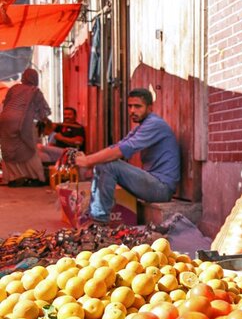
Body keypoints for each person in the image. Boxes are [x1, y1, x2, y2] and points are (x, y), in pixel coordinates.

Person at [74, 88, 180, 225]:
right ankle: (94, 216)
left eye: (138, 106)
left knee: (109, 164)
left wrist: (88, 161)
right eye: (130, 106)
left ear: (149, 107)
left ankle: (99, 222)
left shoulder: (155, 124)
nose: (132, 111)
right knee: (103, 162)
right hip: (153, 182)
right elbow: (116, 146)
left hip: (162, 189)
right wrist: (89, 158)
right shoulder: (140, 127)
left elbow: (122, 150)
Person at [0, 68, 51, 187]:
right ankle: (37, 177)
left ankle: (12, 178)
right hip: (22, 122)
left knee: (9, 150)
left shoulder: (14, 88)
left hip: (5, 120)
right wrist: (46, 121)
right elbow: (43, 111)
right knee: (29, 149)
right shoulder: (34, 91)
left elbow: (6, 103)